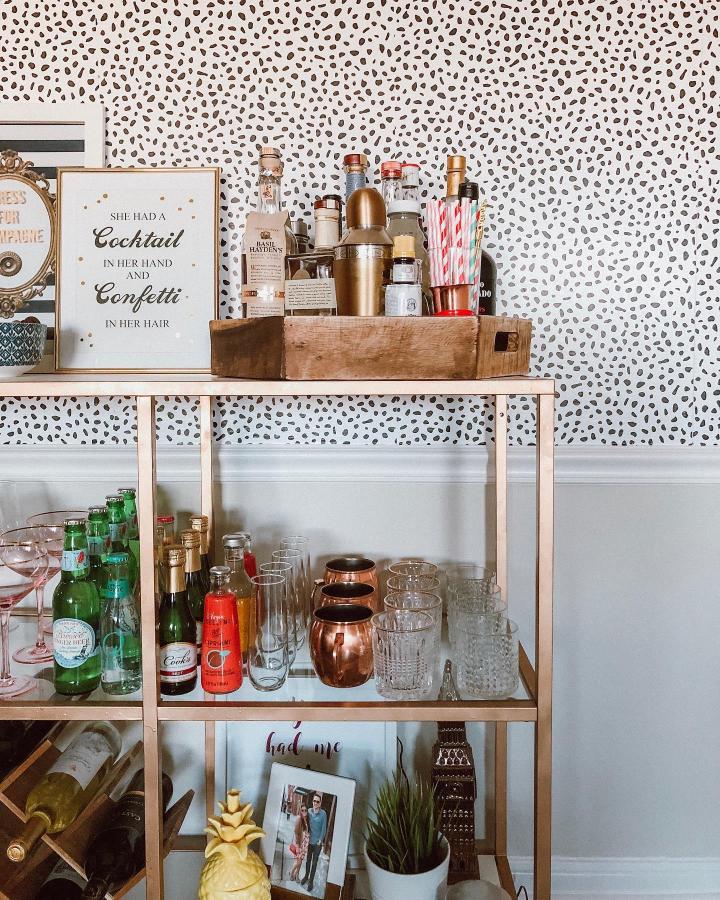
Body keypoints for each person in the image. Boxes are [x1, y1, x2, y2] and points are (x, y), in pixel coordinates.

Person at [300, 793, 327, 893]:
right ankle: (306, 876)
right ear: (312, 802)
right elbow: (303, 819)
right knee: (308, 860)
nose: (315, 803)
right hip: (309, 841)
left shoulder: (323, 814)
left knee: (314, 863)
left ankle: (311, 881)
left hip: (317, 843)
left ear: (320, 803)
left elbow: (324, 828)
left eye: (317, 801)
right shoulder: (309, 811)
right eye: (314, 801)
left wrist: (320, 840)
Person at [289, 802, 310, 882]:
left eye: (305, 810)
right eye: (302, 810)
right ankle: (292, 873)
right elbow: (296, 833)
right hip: (300, 844)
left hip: (305, 845)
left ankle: (296, 875)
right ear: (300, 811)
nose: (304, 812)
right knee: (298, 861)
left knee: (300, 861)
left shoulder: (307, 819)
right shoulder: (299, 819)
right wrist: (297, 846)